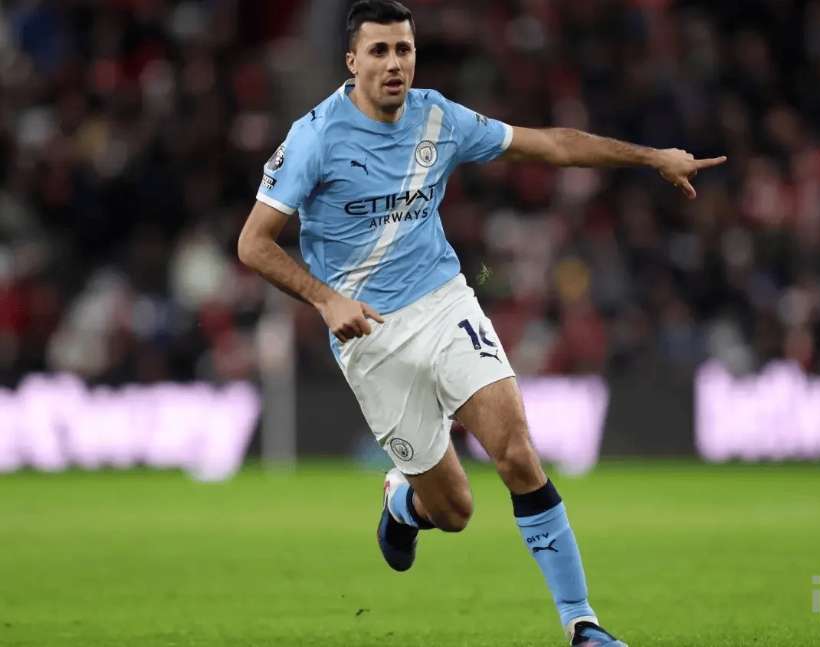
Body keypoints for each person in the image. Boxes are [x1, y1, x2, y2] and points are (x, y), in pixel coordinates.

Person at [237, 1, 725, 644]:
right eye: (379, 51)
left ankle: (582, 624)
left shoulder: (439, 117)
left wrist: (651, 157)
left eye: (404, 49)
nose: (394, 63)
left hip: (445, 305)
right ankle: (402, 504)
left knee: (517, 453)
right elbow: (254, 243)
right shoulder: (315, 137)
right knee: (455, 510)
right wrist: (326, 301)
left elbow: (551, 145)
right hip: (369, 337)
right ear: (352, 61)